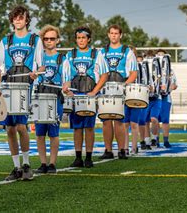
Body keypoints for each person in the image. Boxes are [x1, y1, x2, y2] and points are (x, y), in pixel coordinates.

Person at [0, 5, 44, 181]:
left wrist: (35, 74)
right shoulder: (5, 41)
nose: (18, 20)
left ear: (26, 20)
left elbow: (41, 66)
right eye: (15, 18)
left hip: (25, 87)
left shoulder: (34, 40)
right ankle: (16, 167)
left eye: (21, 17)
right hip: (8, 87)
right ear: (12, 20)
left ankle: (26, 164)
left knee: (21, 127)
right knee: (9, 128)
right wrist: (0, 74)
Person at [63, 26, 109, 168]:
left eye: (83, 38)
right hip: (76, 94)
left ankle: (88, 157)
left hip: (90, 94)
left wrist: (94, 91)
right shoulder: (70, 55)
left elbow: (104, 75)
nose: (81, 40)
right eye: (78, 38)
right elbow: (67, 75)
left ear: (89, 39)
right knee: (77, 128)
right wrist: (68, 89)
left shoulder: (97, 54)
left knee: (89, 127)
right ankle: (78, 158)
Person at [99, 25, 137, 159]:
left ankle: (122, 150)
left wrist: (124, 86)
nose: (114, 35)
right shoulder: (102, 52)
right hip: (105, 88)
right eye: (111, 33)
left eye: (116, 33)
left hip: (120, 87)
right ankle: (108, 150)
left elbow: (133, 73)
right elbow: (98, 71)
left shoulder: (127, 51)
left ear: (121, 35)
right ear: (108, 35)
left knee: (119, 121)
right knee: (106, 121)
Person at [33, 25, 66, 174]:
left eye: (52, 38)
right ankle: (43, 163)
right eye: (45, 39)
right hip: (40, 96)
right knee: (40, 133)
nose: (49, 41)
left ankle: (52, 163)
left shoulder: (63, 58)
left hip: (56, 97)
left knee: (54, 132)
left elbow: (67, 79)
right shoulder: (38, 57)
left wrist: (66, 87)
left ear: (57, 40)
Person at [123, 47, 144, 155]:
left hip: (136, 95)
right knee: (125, 124)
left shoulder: (140, 66)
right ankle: (125, 147)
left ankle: (134, 147)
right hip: (125, 96)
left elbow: (144, 79)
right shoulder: (123, 66)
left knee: (134, 124)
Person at [156, 49, 178, 148]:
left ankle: (165, 140)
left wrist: (168, 88)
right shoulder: (153, 69)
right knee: (154, 119)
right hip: (155, 98)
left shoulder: (170, 71)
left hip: (166, 98)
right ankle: (154, 139)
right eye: (159, 55)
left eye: (162, 55)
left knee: (165, 120)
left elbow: (175, 85)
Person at [143, 50, 162, 148]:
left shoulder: (158, 68)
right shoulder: (143, 68)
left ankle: (154, 138)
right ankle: (146, 140)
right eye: (147, 57)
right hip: (146, 98)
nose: (149, 59)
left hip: (156, 98)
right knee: (145, 121)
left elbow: (162, 81)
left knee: (154, 119)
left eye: (151, 57)